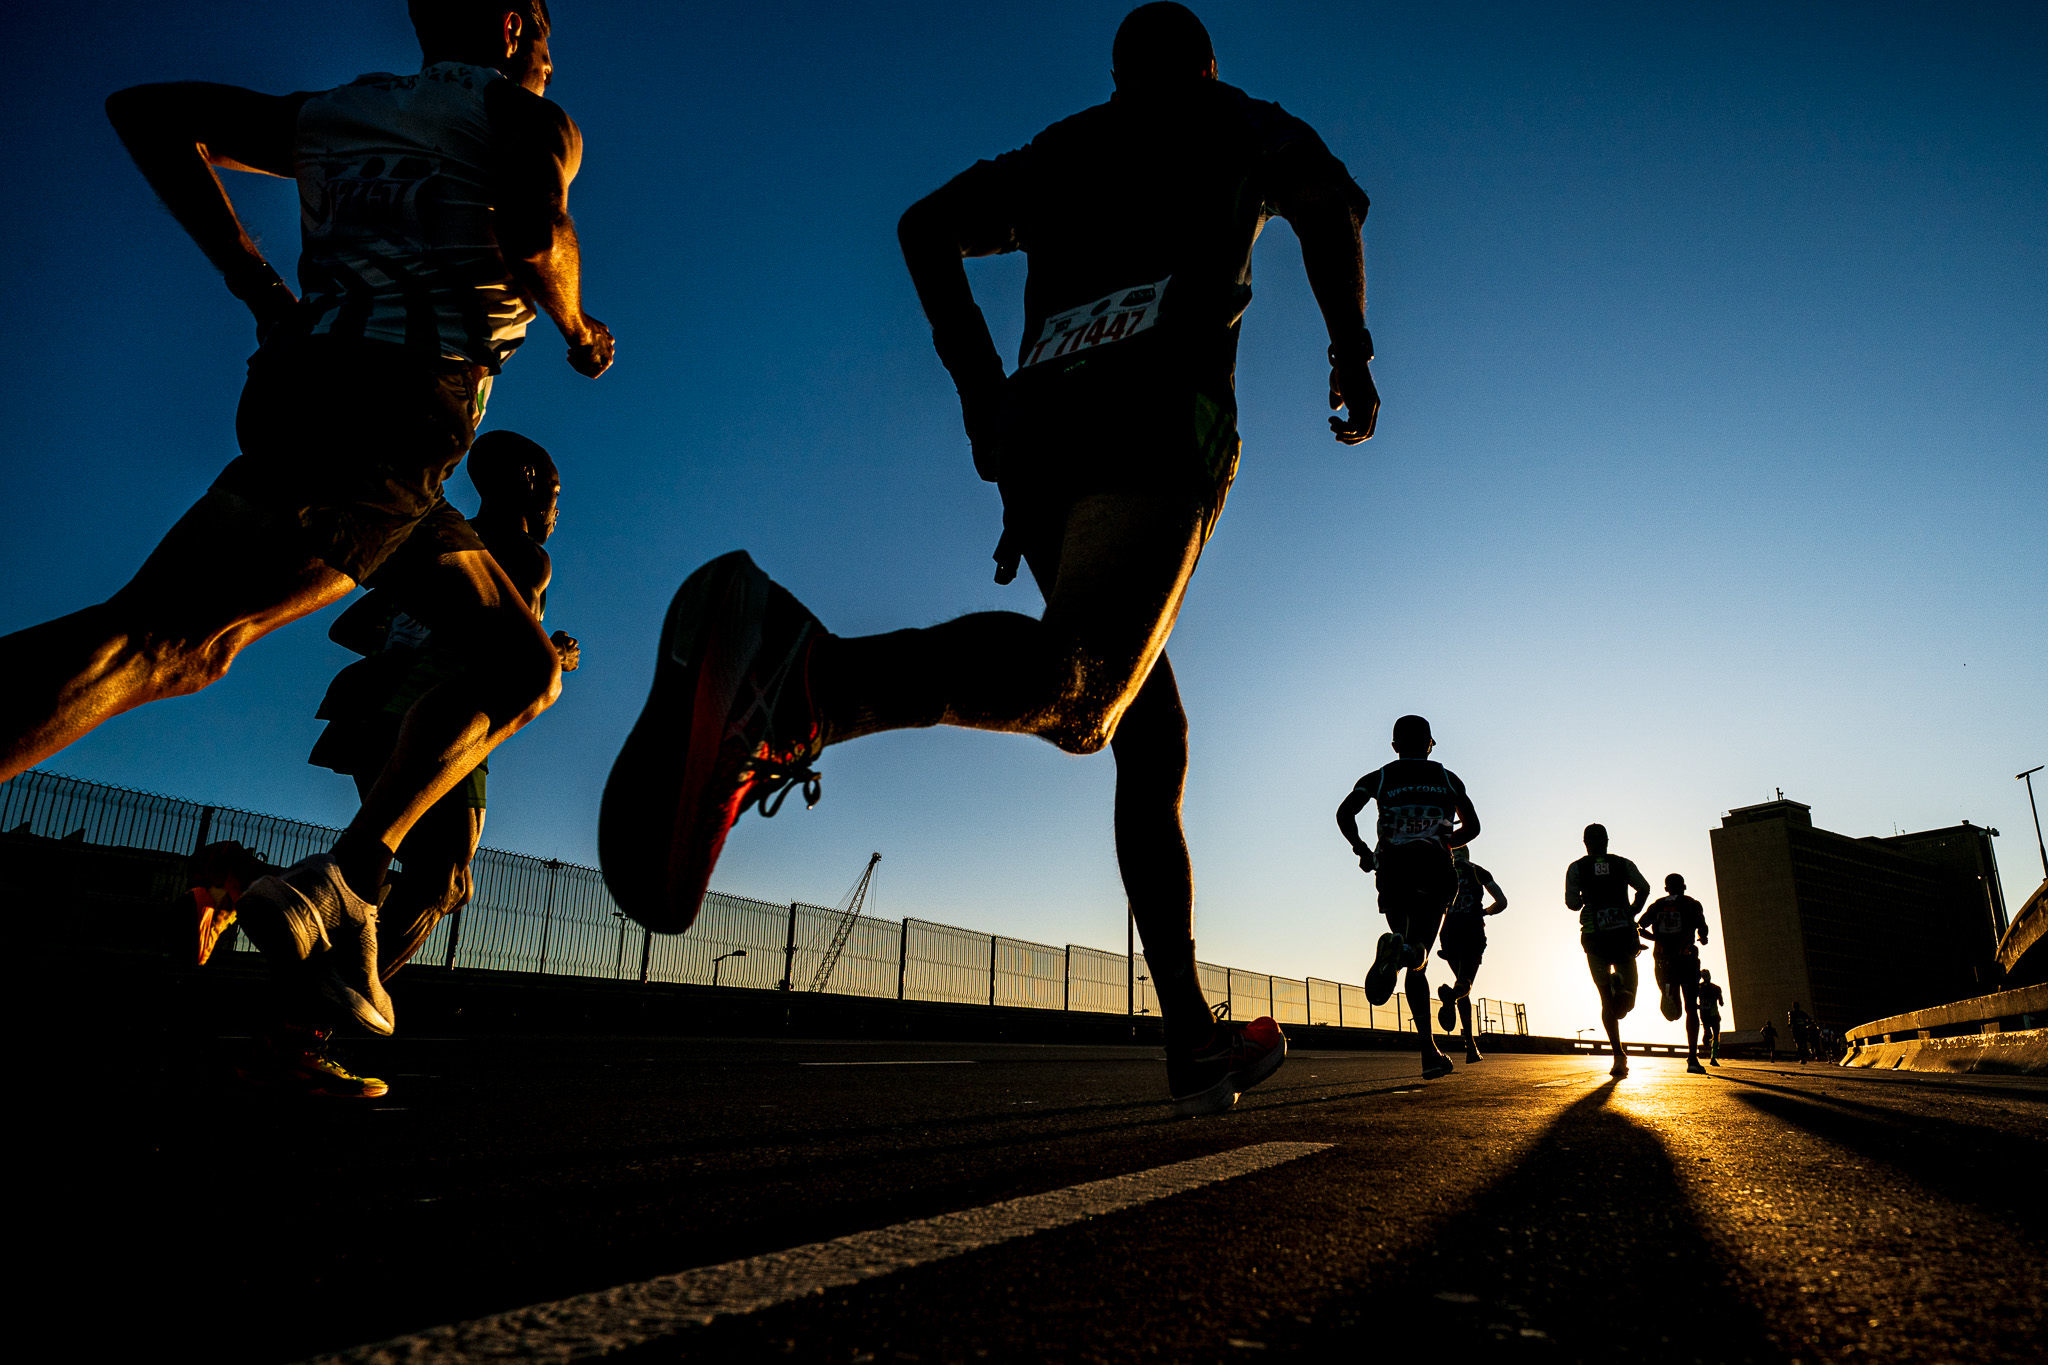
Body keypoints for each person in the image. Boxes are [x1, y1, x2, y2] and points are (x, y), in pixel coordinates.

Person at [600, 3, 1378, 1119]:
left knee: (1151, 736)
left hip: (1047, 446)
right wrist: (1348, 351)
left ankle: (1189, 1037)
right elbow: (1327, 206)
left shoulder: (1061, 151)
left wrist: (982, 393)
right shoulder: (1237, 122)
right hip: (1159, 421)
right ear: (1201, 66)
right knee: (1087, 696)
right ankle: (806, 682)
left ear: (1116, 74)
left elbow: (924, 226)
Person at [0, 3, 611, 1041]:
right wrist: (576, 325)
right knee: (176, 642)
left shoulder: (338, 112)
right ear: (514, 26)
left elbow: (150, 113)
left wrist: (252, 279)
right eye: (547, 36)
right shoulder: (524, 116)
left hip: (341, 405)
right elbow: (538, 234)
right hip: (395, 405)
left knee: (520, 666)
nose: (551, 58)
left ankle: (347, 883)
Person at [242, 431, 580, 1096]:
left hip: (372, 703)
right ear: (527, 483)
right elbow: (511, 654)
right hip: (438, 708)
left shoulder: (435, 539)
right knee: (444, 878)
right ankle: (300, 1031)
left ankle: (267, 901)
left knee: (401, 866)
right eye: (556, 494)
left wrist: (408, 626)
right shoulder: (524, 556)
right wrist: (552, 651)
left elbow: (351, 625)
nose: (557, 510)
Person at [1334, 716, 1481, 1079]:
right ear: (1431, 744)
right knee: (1420, 953)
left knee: (1409, 944)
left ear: (1395, 746)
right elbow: (1474, 826)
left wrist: (1362, 850)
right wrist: (1446, 839)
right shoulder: (1449, 778)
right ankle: (1402, 956)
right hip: (1434, 868)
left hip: (1393, 869)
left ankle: (1428, 1051)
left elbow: (1345, 812)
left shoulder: (1379, 777)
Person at [1564, 824, 1651, 1077]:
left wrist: (1581, 900)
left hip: (1594, 936)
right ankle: (1621, 985)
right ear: (1607, 841)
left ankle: (1618, 1056)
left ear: (1585, 843)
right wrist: (1633, 909)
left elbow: (1571, 903)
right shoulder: (1624, 864)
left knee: (1605, 1000)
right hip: (1623, 933)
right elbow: (1644, 887)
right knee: (1630, 998)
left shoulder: (1576, 868)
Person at [1435, 845, 1506, 1063]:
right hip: (1472, 930)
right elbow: (1502, 902)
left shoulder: (1442, 871)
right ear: (1467, 854)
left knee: (1460, 981)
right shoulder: (1478, 871)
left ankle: (1470, 1047)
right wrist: (1485, 911)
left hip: (1449, 933)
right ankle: (1451, 997)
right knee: (1465, 982)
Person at [1638, 873, 1712, 1074]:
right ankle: (1692, 1059)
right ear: (1684, 887)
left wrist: (1656, 938)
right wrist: (1702, 938)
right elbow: (1703, 930)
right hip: (1687, 959)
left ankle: (1668, 991)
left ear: (1666, 889)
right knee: (1690, 1009)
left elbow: (1638, 926)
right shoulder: (1692, 904)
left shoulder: (1657, 905)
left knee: (1673, 1013)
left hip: (1663, 960)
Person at [1697, 967, 1725, 1065]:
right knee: (1716, 1036)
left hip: (1704, 1014)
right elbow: (1721, 1003)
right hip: (1714, 1014)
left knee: (1706, 1028)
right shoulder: (1716, 988)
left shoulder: (1698, 987)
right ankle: (1713, 1057)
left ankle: (1706, 1033)